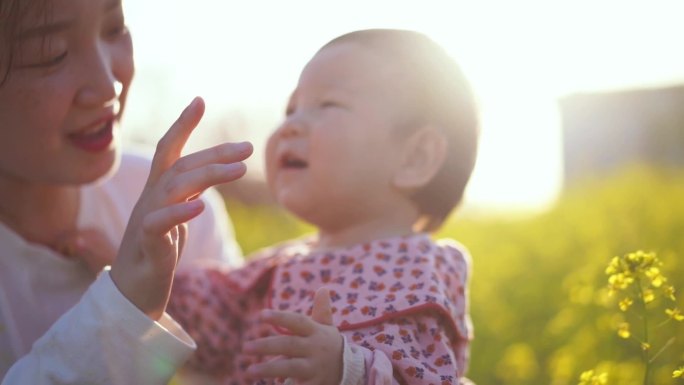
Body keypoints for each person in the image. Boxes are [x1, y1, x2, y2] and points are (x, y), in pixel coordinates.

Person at [167, 28, 479, 384]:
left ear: (416, 158)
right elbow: (211, 328)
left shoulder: (418, 273)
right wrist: (146, 271)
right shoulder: (278, 264)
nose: (290, 126)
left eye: (327, 105)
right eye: (291, 109)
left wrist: (345, 370)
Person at [0, 0, 251, 383]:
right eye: (50, 54)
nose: (107, 85)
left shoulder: (178, 205)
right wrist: (128, 305)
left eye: (115, 28)